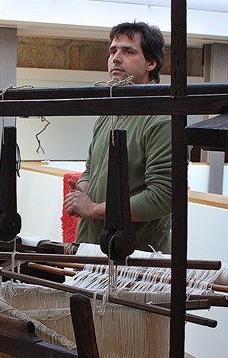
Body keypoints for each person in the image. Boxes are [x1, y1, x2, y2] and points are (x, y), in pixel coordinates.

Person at [64, 22, 172, 253]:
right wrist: (80, 192)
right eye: (113, 51)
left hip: (138, 258)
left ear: (151, 62)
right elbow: (92, 169)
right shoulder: (110, 113)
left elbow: (162, 197)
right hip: (93, 249)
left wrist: (93, 209)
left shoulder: (161, 120)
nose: (116, 58)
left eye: (128, 51)